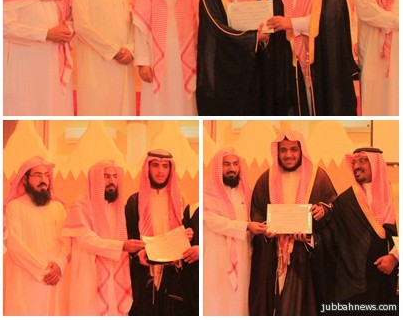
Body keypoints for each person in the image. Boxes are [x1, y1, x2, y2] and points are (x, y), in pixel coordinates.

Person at [263, 0, 359, 116]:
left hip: (322, 65)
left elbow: (330, 22)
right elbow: (270, 24)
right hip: (291, 69)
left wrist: (291, 23)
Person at [249, 130, 337, 315]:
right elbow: (256, 211)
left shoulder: (318, 177)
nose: (288, 155)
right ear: (277, 152)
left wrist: (323, 211)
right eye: (283, 150)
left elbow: (333, 209)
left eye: (293, 150)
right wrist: (265, 230)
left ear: (301, 150)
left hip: (306, 256)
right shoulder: (266, 179)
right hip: (274, 254)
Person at [313, 147, 399, 315]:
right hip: (357, 280)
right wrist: (310, 237)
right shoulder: (347, 199)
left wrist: (395, 257)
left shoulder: (397, 194)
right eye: (354, 162)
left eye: (363, 161)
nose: (356, 166)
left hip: (390, 276)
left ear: (376, 164)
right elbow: (331, 232)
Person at [61, 160, 144, 315]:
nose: (112, 181)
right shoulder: (81, 206)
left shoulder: (117, 208)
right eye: (106, 177)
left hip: (114, 275)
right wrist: (121, 246)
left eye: (114, 176)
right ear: (96, 179)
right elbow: (86, 241)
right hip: (89, 277)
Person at [196, 0, 269, 116]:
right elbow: (215, 27)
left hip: (248, 64)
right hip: (222, 64)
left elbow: (259, 23)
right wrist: (253, 38)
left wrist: (264, 35)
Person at [4, 0, 73, 116]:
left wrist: (68, 30)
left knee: (53, 104)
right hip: (25, 61)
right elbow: (5, 27)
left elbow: (68, 18)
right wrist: (45, 34)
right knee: (28, 104)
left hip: (54, 58)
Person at [125, 149, 196, 315]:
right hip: (144, 270)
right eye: (155, 165)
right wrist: (138, 254)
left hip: (172, 271)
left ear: (171, 169)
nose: (160, 171)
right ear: (147, 168)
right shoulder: (134, 201)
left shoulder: (180, 199)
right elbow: (129, 234)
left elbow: (187, 233)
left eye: (165, 166)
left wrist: (188, 235)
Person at [132, 0, 200, 115]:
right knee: (157, 105)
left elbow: (200, 25)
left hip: (186, 58)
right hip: (155, 59)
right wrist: (143, 63)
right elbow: (139, 29)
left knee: (185, 104)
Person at [72, 0, 135, 115]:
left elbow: (133, 24)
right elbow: (82, 27)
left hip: (124, 63)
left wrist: (130, 49)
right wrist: (114, 50)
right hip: (96, 65)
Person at [204, 148, 267, 315]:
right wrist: (246, 226)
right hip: (216, 256)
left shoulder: (245, 192)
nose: (231, 168)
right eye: (226, 164)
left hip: (242, 254)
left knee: (240, 299)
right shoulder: (207, 190)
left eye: (235, 164)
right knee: (215, 299)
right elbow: (212, 221)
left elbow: (253, 218)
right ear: (218, 166)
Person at [3, 156, 70, 315]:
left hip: (56, 280)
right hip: (26, 281)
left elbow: (67, 240)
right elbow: (14, 244)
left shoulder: (58, 207)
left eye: (46, 175)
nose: (43, 180)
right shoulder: (14, 207)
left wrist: (59, 265)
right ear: (24, 180)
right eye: (38, 175)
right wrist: (43, 272)